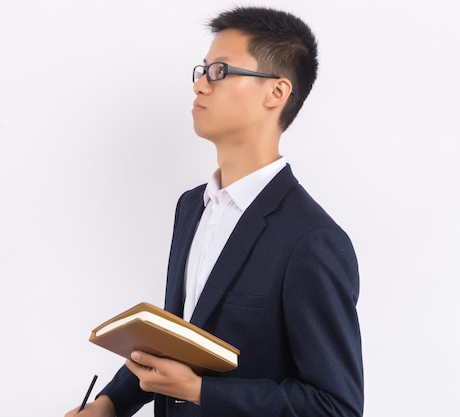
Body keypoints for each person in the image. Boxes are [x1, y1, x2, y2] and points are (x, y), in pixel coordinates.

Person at [64, 6, 363, 417]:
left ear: (276, 93)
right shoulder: (192, 206)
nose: (200, 86)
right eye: (202, 71)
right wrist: (111, 403)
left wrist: (201, 391)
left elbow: (336, 407)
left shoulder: (312, 240)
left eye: (220, 72)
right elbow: (179, 335)